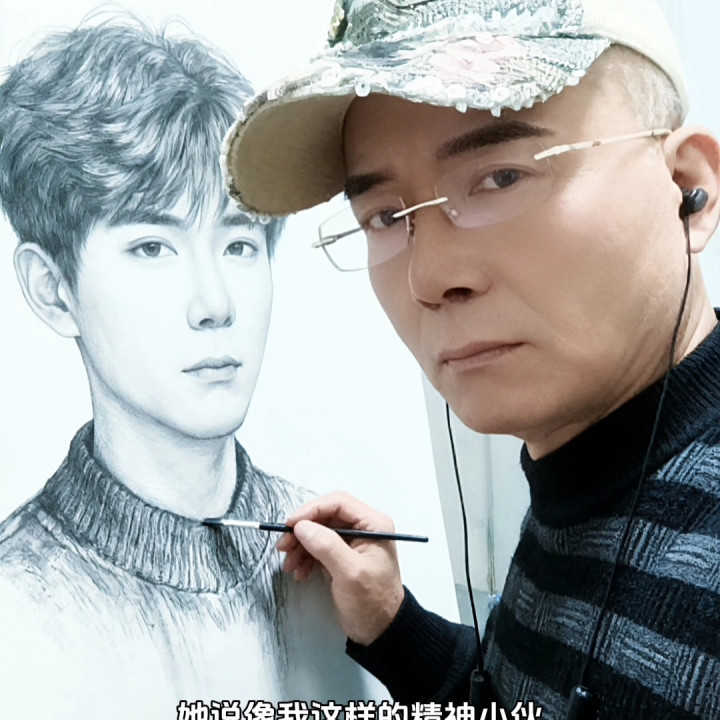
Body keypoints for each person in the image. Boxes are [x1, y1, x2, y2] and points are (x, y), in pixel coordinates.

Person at [223, 0, 720, 717]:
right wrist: (394, 624)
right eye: (385, 217)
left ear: (686, 188)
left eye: (501, 177)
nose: (428, 279)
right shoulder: (582, 479)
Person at [0, 18, 375, 719]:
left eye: (238, 245)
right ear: (52, 290)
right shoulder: (19, 605)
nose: (214, 305)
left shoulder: (349, 560)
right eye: (152, 248)